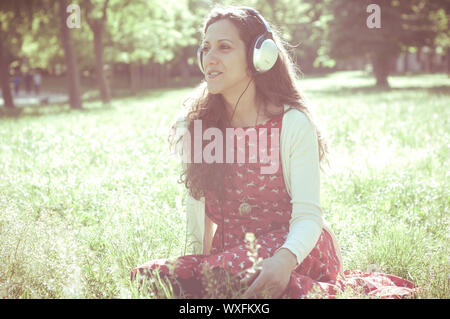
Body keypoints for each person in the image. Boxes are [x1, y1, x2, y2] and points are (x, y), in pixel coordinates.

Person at [131, 6, 416, 299]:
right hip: (229, 260)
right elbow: (199, 219)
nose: (210, 58)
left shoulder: (293, 123)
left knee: (234, 277)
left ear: (260, 56)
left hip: (294, 251)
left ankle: (311, 289)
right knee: (150, 277)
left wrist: (282, 261)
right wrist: (194, 271)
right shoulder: (196, 125)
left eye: (224, 47)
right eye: (205, 48)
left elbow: (308, 217)